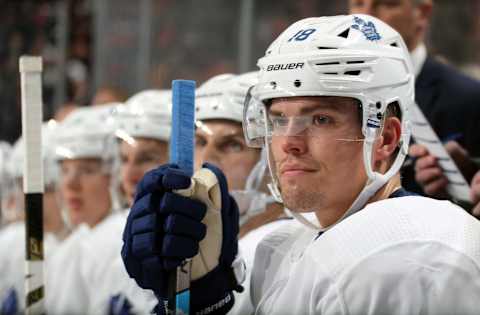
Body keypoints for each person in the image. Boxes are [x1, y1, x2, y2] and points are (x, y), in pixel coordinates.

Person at [121, 14, 480, 315]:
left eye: (320, 119)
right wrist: (199, 302)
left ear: (385, 138)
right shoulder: (281, 247)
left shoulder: (407, 253)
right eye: (278, 119)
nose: (289, 142)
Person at [349, 0, 480, 196]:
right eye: (358, 3)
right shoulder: (334, 95)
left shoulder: (469, 98)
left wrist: (464, 187)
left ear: (422, 13)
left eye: (385, 4)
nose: (365, 18)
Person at [0, 121, 67, 313]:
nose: (31, 199)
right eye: (24, 186)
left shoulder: (86, 248)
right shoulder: (10, 243)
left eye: (47, 189)